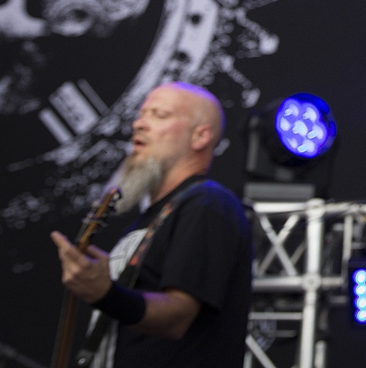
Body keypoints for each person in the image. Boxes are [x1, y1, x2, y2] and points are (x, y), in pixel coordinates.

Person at [51, 83, 252, 367]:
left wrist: (106, 294)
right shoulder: (154, 217)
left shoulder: (207, 204)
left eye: (159, 115)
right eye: (141, 114)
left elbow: (178, 316)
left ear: (200, 136)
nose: (139, 124)